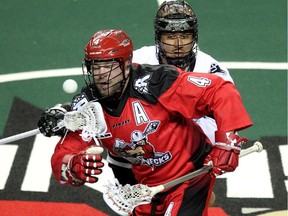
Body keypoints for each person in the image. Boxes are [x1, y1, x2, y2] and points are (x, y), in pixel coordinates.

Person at [38, 29, 252, 216]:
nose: (101, 74)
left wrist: (227, 140)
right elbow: (64, 154)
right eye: (95, 67)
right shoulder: (88, 108)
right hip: (147, 186)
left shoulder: (157, 82)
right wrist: (73, 165)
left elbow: (219, 90)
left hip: (191, 173)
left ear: (126, 65)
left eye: (109, 66)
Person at [106, 0, 233, 205]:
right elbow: (105, 95)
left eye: (184, 36)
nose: (178, 44)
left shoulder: (211, 70)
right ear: (159, 37)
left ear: (194, 37)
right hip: (134, 146)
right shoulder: (137, 60)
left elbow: (225, 114)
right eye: (170, 36)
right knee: (137, 206)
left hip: (185, 149)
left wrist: (224, 144)